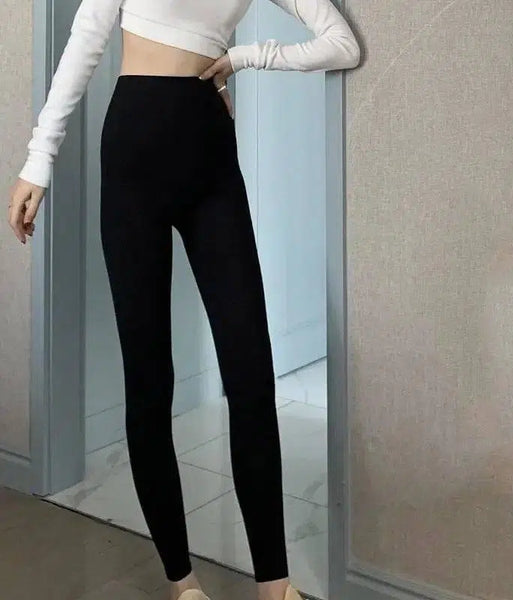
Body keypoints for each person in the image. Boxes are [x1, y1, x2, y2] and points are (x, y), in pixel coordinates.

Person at [7, 1, 360, 599]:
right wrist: (38, 161)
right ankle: (183, 582)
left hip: (211, 159)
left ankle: (275, 586)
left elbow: (341, 43)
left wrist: (245, 57)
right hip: (134, 158)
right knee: (150, 383)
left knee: (251, 376)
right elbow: (87, 39)